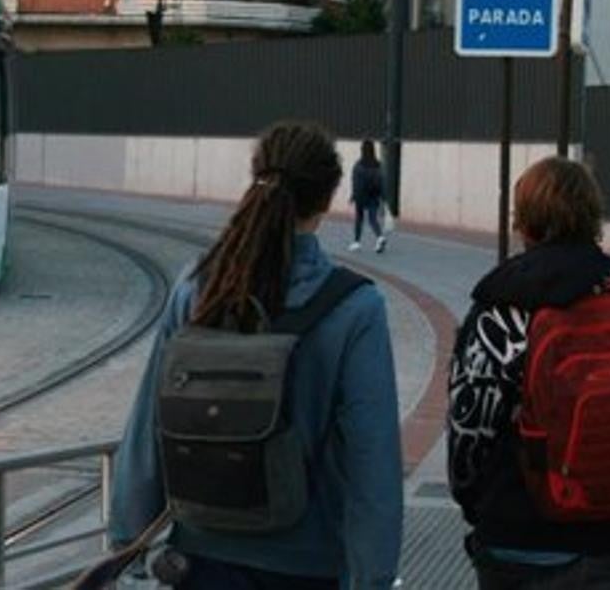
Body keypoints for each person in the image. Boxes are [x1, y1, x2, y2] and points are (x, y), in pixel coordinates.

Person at [110, 121, 403, 589]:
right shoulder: (355, 308)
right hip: (308, 565)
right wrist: (374, 576)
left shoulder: (197, 288)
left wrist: (127, 539)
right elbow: (373, 459)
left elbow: (149, 423)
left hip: (201, 556)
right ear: (327, 200)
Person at [448, 157, 610, 590]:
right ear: (593, 215)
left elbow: (470, 425)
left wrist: (476, 504)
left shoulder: (501, 306)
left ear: (525, 221)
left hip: (516, 532)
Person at [349, 139, 387, 253]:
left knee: (359, 218)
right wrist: (382, 196)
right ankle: (380, 237)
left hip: (361, 196)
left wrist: (353, 195)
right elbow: (381, 181)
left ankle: (357, 242)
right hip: (374, 195)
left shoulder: (359, 165)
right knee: (372, 219)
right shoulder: (378, 165)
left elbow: (355, 182)